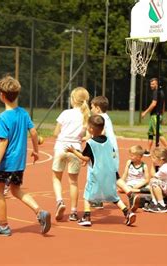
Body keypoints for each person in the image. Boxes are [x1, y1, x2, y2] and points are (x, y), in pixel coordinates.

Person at [0, 76, 51, 236]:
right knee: (15, 190)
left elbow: (3, 142)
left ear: (1, 95)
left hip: (6, 162)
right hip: (19, 163)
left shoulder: (3, 117)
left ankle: (3, 225)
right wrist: (35, 150)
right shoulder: (23, 113)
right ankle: (39, 211)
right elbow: (34, 132)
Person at [66, 115, 136, 227]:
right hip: (110, 173)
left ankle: (87, 217)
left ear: (91, 129)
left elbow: (85, 158)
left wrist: (73, 151)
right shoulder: (108, 140)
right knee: (113, 197)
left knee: (87, 195)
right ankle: (127, 212)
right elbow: (113, 154)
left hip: (96, 174)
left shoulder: (90, 143)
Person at [51, 87, 90, 222]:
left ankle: (60, 201)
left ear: (73, 99)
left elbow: (56, 133)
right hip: (76, 150)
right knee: (73, 182)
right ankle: (74, 212)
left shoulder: (65, 113)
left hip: (62, 147)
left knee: (56, 178)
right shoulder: (86, 116)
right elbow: (86, 135)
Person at [89, 96, 119, 209]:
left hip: (105, 150)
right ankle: (128, 191)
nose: (91, 109)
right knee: (112, 174)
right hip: (112, 149)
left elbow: (102, 133)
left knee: (97, 173)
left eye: (92, 107)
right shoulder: (106, 117)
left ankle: (97, 200)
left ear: (97, 108)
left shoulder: (98, 119)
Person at [116, 145, 150, 212]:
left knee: (150, 187)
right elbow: (125, 174)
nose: (130, 157)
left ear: (139, 157)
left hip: (140, 183)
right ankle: (134, 191)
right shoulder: (129, 163)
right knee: (122, 189)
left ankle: (135, 190)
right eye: (130, 155)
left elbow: (147, 180)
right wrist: (121, 182)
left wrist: (138, 186)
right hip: (130, 183)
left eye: (132, 156)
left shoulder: (144, 166)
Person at [141, 78, 164, 156]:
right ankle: (148, 151)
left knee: (158, 134)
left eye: (153, 84)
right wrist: (162, 114)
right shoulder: (161, 92)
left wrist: (145, 112)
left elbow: (154, 104)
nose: (151, 85)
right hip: (156, 115)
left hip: (155, 116)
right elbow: (163, 104)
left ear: (157, 84)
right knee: (150, 133)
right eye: (151, 84)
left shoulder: (156, 92)